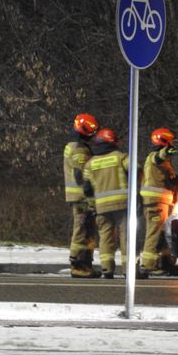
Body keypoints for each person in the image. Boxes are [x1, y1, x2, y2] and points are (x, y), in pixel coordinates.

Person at [83, 128, 129, 279]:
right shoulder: (121, 157)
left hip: (101, 207)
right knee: (126, 237)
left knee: (105, 238)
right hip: (122, 205)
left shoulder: (90, 164)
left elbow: (87, 188)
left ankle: (106, 269)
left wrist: (92, 206)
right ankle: (127, 270)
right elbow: (136, 171)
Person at [63, 113, 101, 278]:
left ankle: (84, 264)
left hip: (78, 197)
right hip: (82, 198)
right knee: (82, 230)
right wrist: (90, 193)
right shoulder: (79, 149)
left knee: (87, 231)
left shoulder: (72, 146)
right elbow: (81, 175)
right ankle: (78, 265)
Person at [140, 128, 178, 277]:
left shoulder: (163, 162)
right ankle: (148, 265)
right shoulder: (154, 156)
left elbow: (163, 178)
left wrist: (173, 181)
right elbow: (159, 156)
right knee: (154, 233)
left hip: (161, 202)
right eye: (170, 142)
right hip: (155, 202)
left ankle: (162, 262)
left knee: (161, 233)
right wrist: (167, 151)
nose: (172, 145)